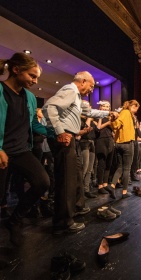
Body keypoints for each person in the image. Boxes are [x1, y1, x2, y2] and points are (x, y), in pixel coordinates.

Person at [42, 71, 110, 234]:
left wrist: (108, 114)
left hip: (70, 137)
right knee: (66, 180)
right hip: (64, 137)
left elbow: (89, 112)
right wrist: (59, 132)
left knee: (76, 174)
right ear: (83, 81)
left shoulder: (78, 97)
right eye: (91, 86)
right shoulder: (70, 90)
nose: (92, 90)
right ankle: (62, 222)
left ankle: (77, 206)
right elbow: (48, 108)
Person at [0, 52, 50, 246]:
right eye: (32, 76)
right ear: (16, 70)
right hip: (2, 151)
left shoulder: (29, 97)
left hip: (21, 151)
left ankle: (15, 220)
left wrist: (54, 133)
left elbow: (32, 124)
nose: (35, 81)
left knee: (42, 182)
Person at [108, 100, 140, 199]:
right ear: (133, 106)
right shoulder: (126, 112)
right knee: (126, 169)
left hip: (118, 144)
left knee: (120, 167)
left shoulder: (127, 114)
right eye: (136, 108)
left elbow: (115, 125)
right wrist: (114, 120)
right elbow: (117, 125)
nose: (136, 111)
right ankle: (124, 192)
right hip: (127, 143)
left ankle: (112, 186)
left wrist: (113, 120)